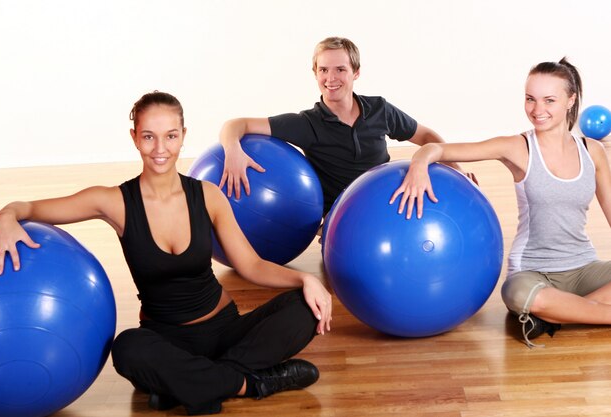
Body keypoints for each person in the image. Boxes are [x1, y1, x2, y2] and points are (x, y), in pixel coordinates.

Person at [0, 91, 332, 414]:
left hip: (226, 331)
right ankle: (250, 382)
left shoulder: (208, 196)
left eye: (170, 135)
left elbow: (251, 265)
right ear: (135, 137)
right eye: (149, 136)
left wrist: (305, 279)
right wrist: (7, 214)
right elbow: (30, 206)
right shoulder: (115, 202)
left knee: (305, 305)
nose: (160, 147)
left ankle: (189, 385)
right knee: (127, 349)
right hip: (167, 342)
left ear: (183, 135)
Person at [392, 58, 611, 348]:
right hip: (532, 272)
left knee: (542, 303)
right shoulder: (517, 147)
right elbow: (436, 148)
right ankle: (569, 310)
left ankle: (554, 315)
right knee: (517, 294)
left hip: (584, 268)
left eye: (549, 100)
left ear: (571, 100)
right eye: (530, 99)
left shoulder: (592, 151)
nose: (537, 110)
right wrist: (419, 164)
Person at [219, 36, 471, 218]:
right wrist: (232, 151)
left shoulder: (379, 109)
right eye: (323, 70)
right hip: (345, 215)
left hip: (387, 201)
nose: (331, 78)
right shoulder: (306, 123)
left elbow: (426, 135)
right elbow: (236, 124)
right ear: (315, 73)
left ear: (356, 73)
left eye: (340, 69)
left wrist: (457, 170)